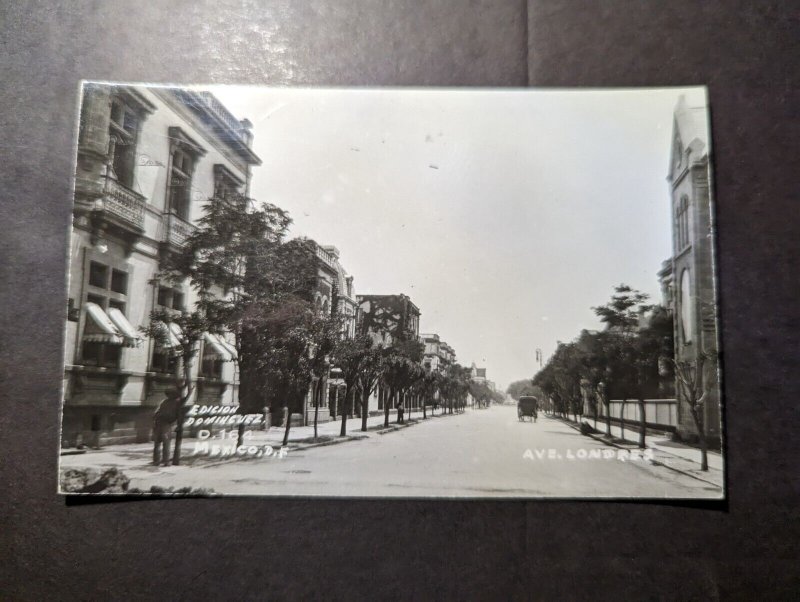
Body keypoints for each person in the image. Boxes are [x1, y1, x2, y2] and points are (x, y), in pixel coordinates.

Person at [152, 388, 181, 466]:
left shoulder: (177, 403)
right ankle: (156, 461)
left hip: (167, 424)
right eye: (168, 394)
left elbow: (178, 415)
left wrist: (178, 424)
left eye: (171, 394)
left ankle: (166, 461)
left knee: (166, 443)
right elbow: (156, 412)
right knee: (157, 443)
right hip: (159, 423)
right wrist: (157, 416)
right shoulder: (163, 402)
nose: (169, 395)